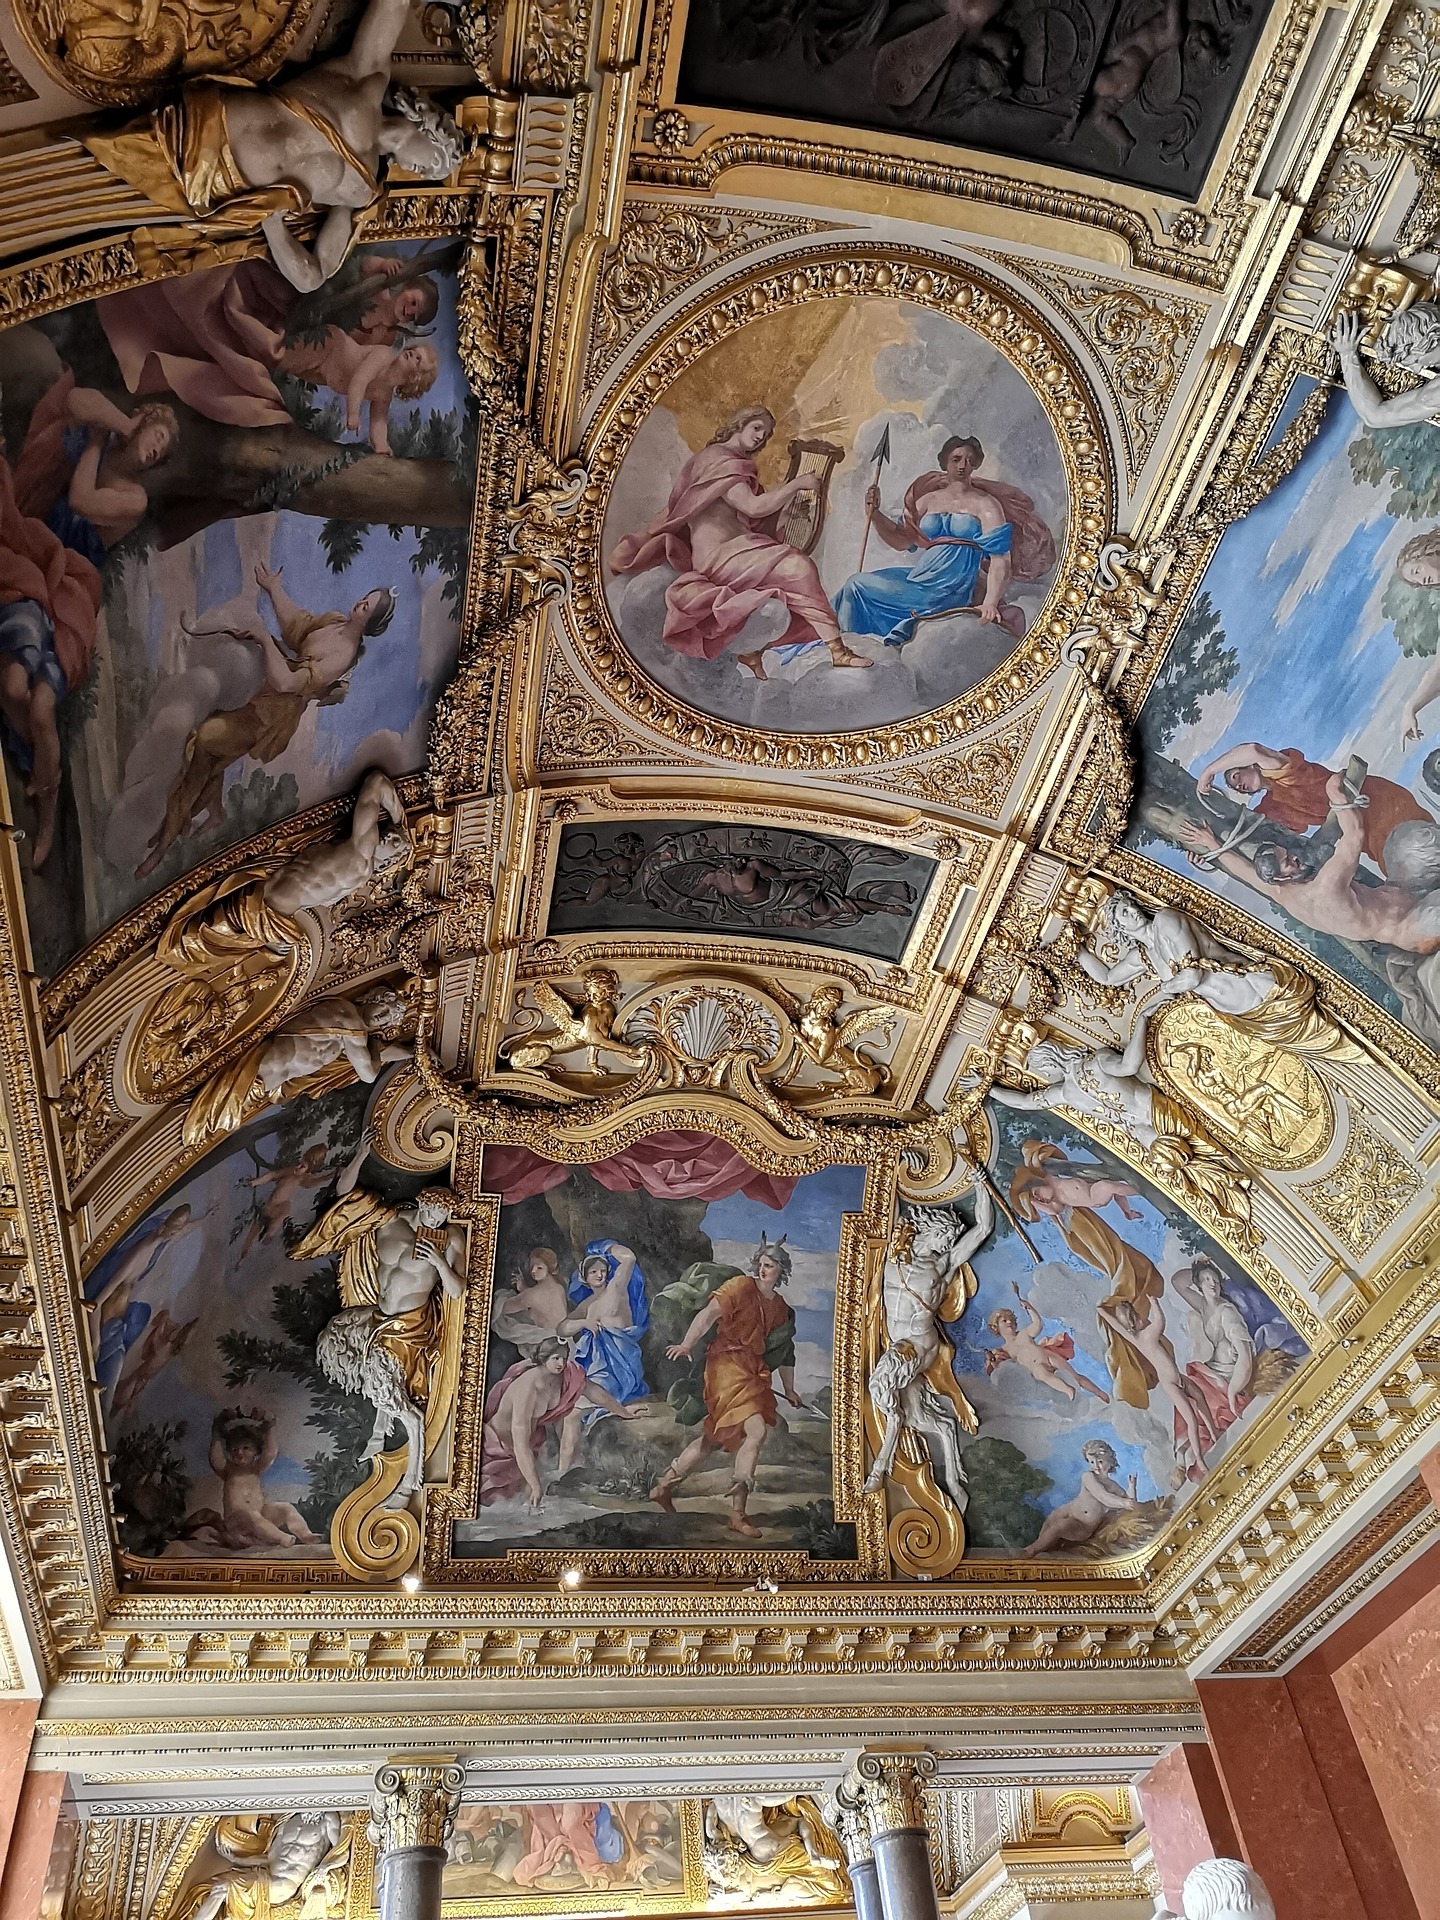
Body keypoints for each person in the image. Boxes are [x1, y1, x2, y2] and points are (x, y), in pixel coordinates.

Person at [83, 0, 464, 290]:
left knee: (94, 177)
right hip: (200, 123)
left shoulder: (361, 193)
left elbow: (312, 277)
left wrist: (274, 229)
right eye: (431, 164)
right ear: (429, 126)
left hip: (213, 180)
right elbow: (393, 5)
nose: (419, 173)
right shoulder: (369, 79)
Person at [136, 564, 397, 877]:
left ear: (371, 622)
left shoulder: (342, 655)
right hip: (260, 689)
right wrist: (273, 588)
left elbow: (287, 684)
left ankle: (165, 843)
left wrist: (263, 638)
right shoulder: (335, 622)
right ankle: (191, 817)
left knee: (205, 739)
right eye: (364, 598)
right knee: (210, 749)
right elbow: (297, 627)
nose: (360, 603)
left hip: (269, 716)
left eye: (367, 607)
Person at [609, 405, 873, 679]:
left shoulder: (735, 465)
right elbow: (752, 507)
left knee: (790, 580)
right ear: (739, 424)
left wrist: (788, 514)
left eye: (766, 434)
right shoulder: (719, 460)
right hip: (720, 556)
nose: (760, 437)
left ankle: (755, 651)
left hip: (739, 550)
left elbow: (751, 521)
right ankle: (838, 652)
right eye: (757, 428)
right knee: (798, 566)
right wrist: (797, 484)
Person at [831, 434, 1054, 648]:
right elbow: (901, 540)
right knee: (855, 584)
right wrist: (875, 513)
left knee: (859, 585)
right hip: (919, 577)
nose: (962, 465)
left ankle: (850, 647)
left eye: (969, 460)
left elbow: (1000, 559)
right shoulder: (928, 500)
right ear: (945, 462)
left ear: (975, 464)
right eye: (956, 459)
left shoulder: (986, 505)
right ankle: (844, 646)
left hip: (951, 585)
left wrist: (991, 602)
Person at [650, 1236, 806, 1538]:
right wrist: (687, 1344)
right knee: (756, 1430)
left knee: (712, 1439)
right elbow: (708, 1314)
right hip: (724, 1364)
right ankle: (737, 1514)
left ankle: (663, 1486)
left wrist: (789, 1390)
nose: (763, 1270)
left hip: (752, 1370)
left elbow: (785, 1351)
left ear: (781, 1271)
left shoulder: (781, 1308)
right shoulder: (740, 1287)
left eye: (770, 1266)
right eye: (760, 1264)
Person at [1178, 780, 1440, 952]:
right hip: (1410, 925)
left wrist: (1212, 845)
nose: (1294, 858)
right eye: (1287, 862)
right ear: (1281, 877)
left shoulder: (1281, 891)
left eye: (1287, 855)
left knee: (1409, 840)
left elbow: (1245, 872)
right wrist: (1336, 795)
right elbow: (1354, 836)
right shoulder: (1326, 889)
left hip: (1401, 888)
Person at [1194, 741, 1431, 878]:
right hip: (1359, 829)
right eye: (1235, 787)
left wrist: (1209, 771)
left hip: (1374, 801)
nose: (1238, 785)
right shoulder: (1272, 806)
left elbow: (1254, 749)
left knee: (1424, 845)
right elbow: (1247, 835)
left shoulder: (1283, 771)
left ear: (1250, 766)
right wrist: (1207, 849)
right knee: (1405, 873)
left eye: (1236, 775)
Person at [479, 1338, 638, 1508]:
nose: (561, 1363)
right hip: (498, 1449)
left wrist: (624, 1412)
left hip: (526, 1451)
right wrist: (535, 1485)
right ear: (543, 1357)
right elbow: (520, 1444)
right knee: (504, 1502)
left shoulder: (564, 1376)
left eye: (564, 1358)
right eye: (556, 1358)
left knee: (533, 1500)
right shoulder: (526, 1388)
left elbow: (596, 1393)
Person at [267, 326, 439, 454]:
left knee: (284, 366)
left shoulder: (384, 394)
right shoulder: (384, 355)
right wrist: (353, 415)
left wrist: (381, 446)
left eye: (418, 359)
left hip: (327, 374)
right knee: (278, 358)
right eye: (413, 350)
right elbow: (359, 380)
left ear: (415, 378)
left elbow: (378, 422)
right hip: (331, 347)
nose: (411, 353)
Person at [1095, 1295, 1215, 1476]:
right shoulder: (1147, 1335)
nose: (1143, 1318)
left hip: (1177, 1378)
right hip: (1171, 1383)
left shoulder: (1135, 1337)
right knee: (1191, 1420)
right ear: (1135, 1320)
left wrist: (1101, 1311)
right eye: (1138, 1315)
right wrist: (1154, 1303)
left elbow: (1116, 1326)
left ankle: (1214, 1433)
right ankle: (1199, 1460)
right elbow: (1160, 1322)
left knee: (1199, 1396)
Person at [205, 1406, 323, 1549]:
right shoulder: (228, 1470)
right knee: (251, 1515)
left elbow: (271, 1452)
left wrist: (269, 1424)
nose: (240, 1453)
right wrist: (218, 1426)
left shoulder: (256, 1468)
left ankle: (305, 1535)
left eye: (246, 1448)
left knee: (285, 1507)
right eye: (235, 1449)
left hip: (260, 1516)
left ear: (256, 1451)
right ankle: (282, 1538)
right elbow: (215, 1457)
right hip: (236, 1521)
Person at [561, 1240, 651, 1414]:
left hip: (622, 1366)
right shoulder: (586, 1305)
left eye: (603, 1271)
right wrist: (583, 1323)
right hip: (598, 1367)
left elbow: (629, 1259)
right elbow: (562, 1328)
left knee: (581, 1402)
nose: (599, 1275)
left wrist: (601, 1247)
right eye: (593, 1272)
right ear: (584, 1277)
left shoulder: (616, 1289)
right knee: (573, 1403)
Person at [985, 1281, 1111, 1403]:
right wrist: (992, 1361)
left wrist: (1029, 1308)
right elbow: (1002, 1370)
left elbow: (1038, 1324)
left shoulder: (1024, 1333)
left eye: (1011, 1320)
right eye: (1004, 1321)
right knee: (1041, 1374)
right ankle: (1067, 1389)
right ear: (996, 1327)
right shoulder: (1004, 1350)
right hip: (1036, 1368)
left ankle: (1098, 1392)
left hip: (1048, 1356)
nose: (1009, 1322)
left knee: (1075, 1376)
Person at [1023, 1439, 1142, 1556]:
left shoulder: (1115, 1488)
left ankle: (1031, 1551)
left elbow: (1130, 1504)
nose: (1096, 1466)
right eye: (1092, 1462)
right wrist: (1124, 1502)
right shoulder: (1088, 1476)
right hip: (1070, 1510)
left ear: (1110, 1462)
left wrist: (1132, 1486)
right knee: (1050, 1522)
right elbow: (1101, 1495)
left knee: (1059, 1527)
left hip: (1083, 1525)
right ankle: (1039, 1550)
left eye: (1100, 1461)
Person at [239, 1145, 334, 1257]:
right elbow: (273, 1175)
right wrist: (256, 1182)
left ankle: (270, 1233)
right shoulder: (290, 1171)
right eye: (300, 1162)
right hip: (270, 1205)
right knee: (253, 1231)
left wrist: (325, 1178)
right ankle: (243, 1255)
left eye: (302, 1166)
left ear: (310, 1169)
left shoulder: (303, 1178)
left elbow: (312, 1183)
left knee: (285, 1210)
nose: (298, 1166)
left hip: (282, 1204)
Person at [490, 1246, 571, 1351]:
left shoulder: (533, 1294)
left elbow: (503, 1308)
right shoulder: (559, 1287)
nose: (533, 1271)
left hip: (548, 1344)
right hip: (563, 1339)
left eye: (539, 1268)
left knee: (501, 1306)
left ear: (550, 1269)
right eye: (532, 1266)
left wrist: (498, 1298)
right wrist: (524, 1289)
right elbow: (541, 1301)